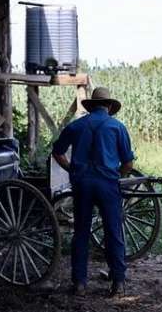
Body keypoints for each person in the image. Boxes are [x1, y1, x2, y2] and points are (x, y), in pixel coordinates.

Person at [52, 87, 134, 298]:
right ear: (109, 106)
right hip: (107, 184)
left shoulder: (76, 126)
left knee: (81, 231)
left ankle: (79, 283)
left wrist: (71, 168)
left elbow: (57, 152)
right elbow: (128, 162)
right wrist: (117, 175)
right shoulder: (117, 127)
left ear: (91, 106)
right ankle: (118, 282)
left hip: (82, 184)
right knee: (113, 231)